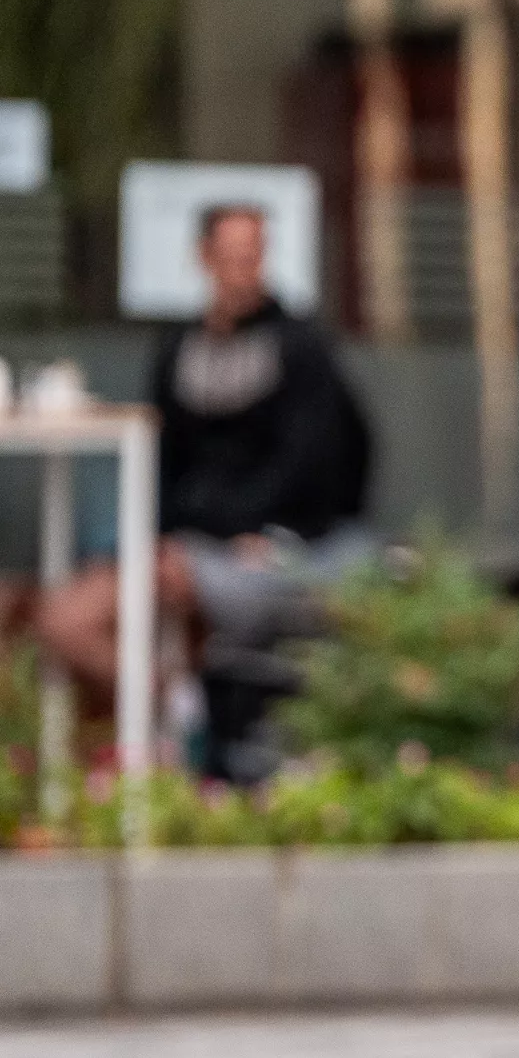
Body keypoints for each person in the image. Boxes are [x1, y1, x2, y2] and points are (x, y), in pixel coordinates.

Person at [38, 203, 374, 697]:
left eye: (254, 255)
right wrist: (163, 534)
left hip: (268, 549)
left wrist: (267, 532)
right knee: (68, 619)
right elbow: (165, 460)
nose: (244, 269)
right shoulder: (179, 347)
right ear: (204, 257)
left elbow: (319, 460)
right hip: (186, 545)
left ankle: (183, 713)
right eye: (233, 254)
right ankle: (175, 709)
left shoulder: (300, 347)